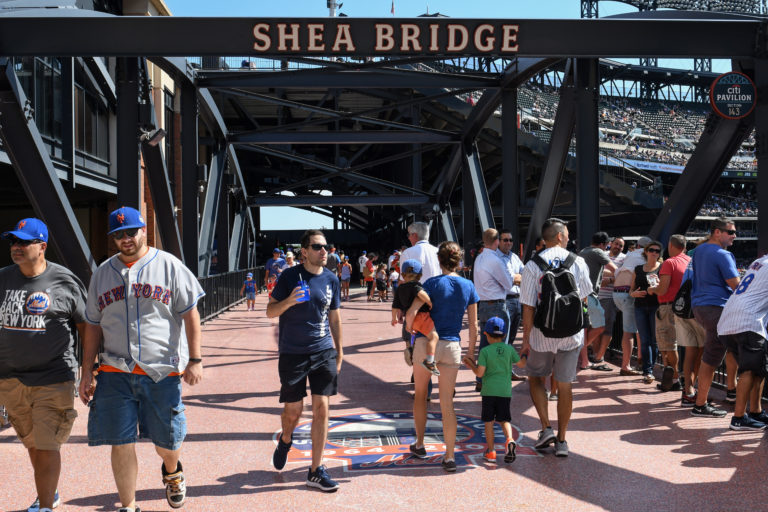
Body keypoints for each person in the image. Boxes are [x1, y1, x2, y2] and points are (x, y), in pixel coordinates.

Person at [79, 207, 205, 511]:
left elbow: (191, 313)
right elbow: (93, 325)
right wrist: (86, 372)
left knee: (166, 444)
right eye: (118, 234)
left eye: (130, 232)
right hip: (114, 370)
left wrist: (196, 359)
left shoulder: (169, 266)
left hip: (161, 370)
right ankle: (129, 505)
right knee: (120, 441)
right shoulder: (102, 273)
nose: (125, 239)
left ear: (143, 231)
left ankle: (172, 471)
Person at [0, 218, 86, 512]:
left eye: (24, 242)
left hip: (54, 376)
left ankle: (46, 505)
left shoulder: (64, 280)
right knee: (33, 443)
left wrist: (89, 370)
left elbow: (86, 325)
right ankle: (49, 491)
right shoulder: (3, 278)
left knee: (48, 443)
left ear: (42, 246)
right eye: (14, 241)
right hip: (10, 379)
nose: (17, 247)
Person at [267, 229, 343, 492]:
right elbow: (269, 311)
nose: (324, 251)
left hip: (322, 351)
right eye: (318, 247)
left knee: (322, 408)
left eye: (326, 247)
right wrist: (289, 301)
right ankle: (286, 439)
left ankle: (315, 470)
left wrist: (339, 351)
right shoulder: (289, 276)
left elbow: (334, 317)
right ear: (304, 251)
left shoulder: (332, 280)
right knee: (293, 411)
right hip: (292, 353)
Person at [520, 218, 592, 457]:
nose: (569, 237)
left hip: (542, 333)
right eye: (568, 233)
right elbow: (584, 297)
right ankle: (562, 440)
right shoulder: (578, 261)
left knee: (535, 378)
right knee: (564, 385)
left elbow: (529, 305)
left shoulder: (532, 265)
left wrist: (526, 339)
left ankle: (545, 427)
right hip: (571, 335)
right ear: (560, 236)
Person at [406, 241, 478, 472]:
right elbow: (474, 325)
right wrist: (470, 351)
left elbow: (412, 311)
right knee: (447, 403)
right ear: (459, 260)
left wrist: (410, 328)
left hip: (427, 342)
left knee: (420, 396)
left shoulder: (431, 283)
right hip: (452, 346)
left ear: (439, 260)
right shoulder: (468, 286)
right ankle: (449, 456)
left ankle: (419, 444)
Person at [690, 218, 740, 418]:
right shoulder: (723, 254)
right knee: (712, 358)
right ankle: (701, 404)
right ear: (717, 232)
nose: (734, 235)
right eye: (731, 232)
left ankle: (728, 391)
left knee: (718, 352)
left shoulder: (700, 250)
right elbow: (737, 286)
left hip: (700, 307)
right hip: (717, 308)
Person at [463, 317, 525, 463]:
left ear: (487, 335)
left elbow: (479, 373)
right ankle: (510, 439)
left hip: (489, 391)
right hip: (504, 391)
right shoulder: (509, 349)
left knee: (489, 422)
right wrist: (525, 355)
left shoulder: (485, 351)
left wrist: (471, 364)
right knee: (504, 419)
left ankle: (491, 451)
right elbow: (521, 364)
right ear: (504, 335)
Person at [717, 254, 768, 430]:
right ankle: (738, 418)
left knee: (759, 368)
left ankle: (756, 411)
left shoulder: (759, 261)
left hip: (729, 320)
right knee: (749, 370)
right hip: (748, 321)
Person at [473, 228, 516, 391]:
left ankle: (481, 378)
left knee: (485, 345)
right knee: (500, 345)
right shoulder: (496, 260)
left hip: (483, 305)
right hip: (497, 305)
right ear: (497, 241)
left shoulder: (479, 258)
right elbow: (508, 283)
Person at [647, 234, 689, 392]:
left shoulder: (669, 263)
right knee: (684, 346)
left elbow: (662, 289)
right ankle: (679, 379)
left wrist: (652, 289)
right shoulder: (690, 261)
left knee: (669, 345)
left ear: (671, 246)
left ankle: (675, 379)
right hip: (687, 308)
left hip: (668, 307)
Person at [392, 260, 440, 376]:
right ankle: (429, 361)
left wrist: (393, 318)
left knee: (415, 338)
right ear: (420, 275)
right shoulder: (416, 286)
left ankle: (412, 353)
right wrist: (430, 303)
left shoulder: (400, 288)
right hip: (421, 316)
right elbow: (421, 294)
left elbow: (395, 306)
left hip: (411, 321)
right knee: (434, 337)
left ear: (402, 274)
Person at [577, 232, 617, 371]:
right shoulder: (598, 252)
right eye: (607, 245)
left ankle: (584, 360)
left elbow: (598, 270)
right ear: (602, 244)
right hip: (590, 295)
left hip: (581, 295)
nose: (607, 248)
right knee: (600, 326)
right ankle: (576, 350)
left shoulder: (584, 251)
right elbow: (614, 269)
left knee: (584, 329)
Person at [613, 236, 652, 376]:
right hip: (627, 293)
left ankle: (640, 360)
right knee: (630, 331)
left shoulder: (629, 255)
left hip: (616, 293)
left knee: (635, 329)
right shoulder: (644, 257)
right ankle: (626, 366)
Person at [630, 240, 663, 384]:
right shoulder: (638, 269)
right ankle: (647, 371)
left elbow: (664, 289)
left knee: (654, 341)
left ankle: (650, 368)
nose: (654, 253)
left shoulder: (662, 268)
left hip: (656, 306)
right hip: (640, 306)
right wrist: (633, 294)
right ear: (646, 252)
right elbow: (631, 290)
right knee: (644, 340)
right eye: (652, 250)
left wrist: (659, 283)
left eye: (657, 251)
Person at [594, 237, 625, 367]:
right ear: (611, 244)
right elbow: (595, 271)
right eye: (616, 244)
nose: (618, 247)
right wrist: (611, 275)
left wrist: (610, 279)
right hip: (595, 296)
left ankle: (599, 356)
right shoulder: (602, 255)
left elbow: (623, 275)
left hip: (610, 297)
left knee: (606, 328)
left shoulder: (624, 259)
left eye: (621, 245)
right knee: (595, 327)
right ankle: (595, 354)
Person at [496, 228, 525, 345]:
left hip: (517, 300)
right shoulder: (496, 258)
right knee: (503, 336)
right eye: (505, 240)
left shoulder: (514, 257)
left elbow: (525, 274)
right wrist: (515, 277)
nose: (509, 242)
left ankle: (506, 360)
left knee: (512, 335)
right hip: (505, 300)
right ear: (499, 241)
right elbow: (508, 279)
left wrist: (516, 278)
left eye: (510, 240)